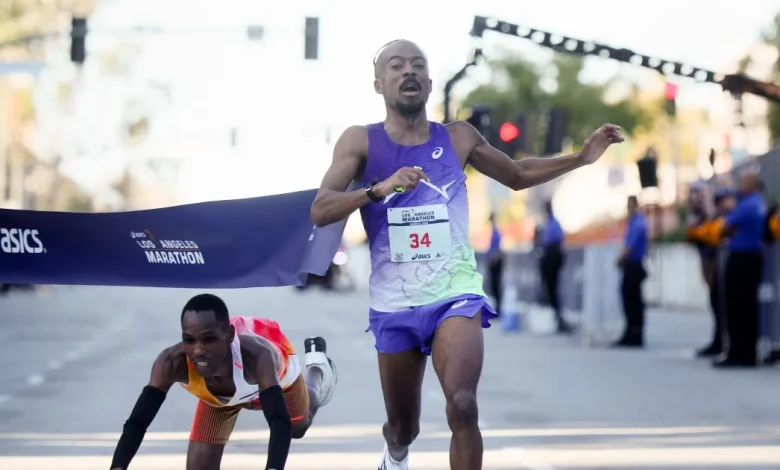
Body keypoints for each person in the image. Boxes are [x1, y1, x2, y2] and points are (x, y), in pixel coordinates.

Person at [309, 39, 624, 470]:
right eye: (397, 66)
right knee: (403, 427)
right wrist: (378, 190)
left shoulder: (457, 137)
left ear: (429, 81)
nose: (409, 72)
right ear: (379, 84)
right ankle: (395, 455)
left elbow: (515, 174)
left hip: (454, 293)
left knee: (463, 405)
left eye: (417, 65)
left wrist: (581, 158)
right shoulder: (359, 142)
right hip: (394, 302)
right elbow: (321, 208)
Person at [109, 293, 337, 470]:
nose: (197, 351)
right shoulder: (170, 362)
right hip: (219, 401)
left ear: (228, 336)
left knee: (298, 427)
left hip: (276, 384)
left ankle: (317, 368)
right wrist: (117, 466)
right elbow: (138, 422)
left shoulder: (257, 356)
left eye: (208, 339)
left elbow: (278, 420)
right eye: (189, 340)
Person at [614, 195, 648, 348]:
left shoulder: (638, 222)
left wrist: (621, 258)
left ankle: (635, 334)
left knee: (633, 300)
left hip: (634, 264)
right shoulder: (633, 222)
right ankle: (631, 332)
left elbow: (631, 246)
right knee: (630, 300)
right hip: (631, 264)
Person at [539, 200, 571, 333]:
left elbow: (556, 241)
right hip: (548, 256)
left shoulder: (554, 224)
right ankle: (555, 317)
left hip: (552, 256)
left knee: (553, 287)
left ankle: (559, 318)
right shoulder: (547, 224)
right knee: (549, 288)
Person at [486, 213, 504, 316]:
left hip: (495, 262)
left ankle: (498, 310)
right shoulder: (494, 232)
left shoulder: (496, 232)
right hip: (494, 261)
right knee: (494, 286)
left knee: (496, 286)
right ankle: (497, 309)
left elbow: (496, 249)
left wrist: (493, 259)